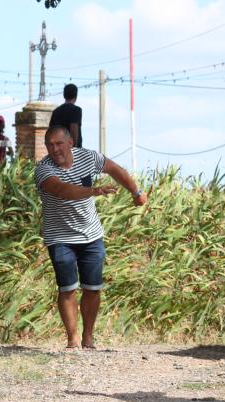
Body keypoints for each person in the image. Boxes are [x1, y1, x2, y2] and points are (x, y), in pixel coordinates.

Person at [35, 126, 146, 349]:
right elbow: (63, 190)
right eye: (50, 145)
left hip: (91, 234)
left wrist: (136, 192)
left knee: (92, 288)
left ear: (70, 142)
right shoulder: (44, 170)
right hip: (60, 236)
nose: (54, 149)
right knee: (66, 288)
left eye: (58, 143)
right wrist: (94, 191)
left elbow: (115, 170)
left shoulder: (88, 157)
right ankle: (72, 339)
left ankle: (88, 337)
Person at [49, 83, 83, 148]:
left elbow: (51, 131)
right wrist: (74, 149)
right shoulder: (76, 110)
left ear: (64, 96)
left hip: (58, 149)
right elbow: (74, 129)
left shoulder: (56, 111)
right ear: (76, 96)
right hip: (70, 150)